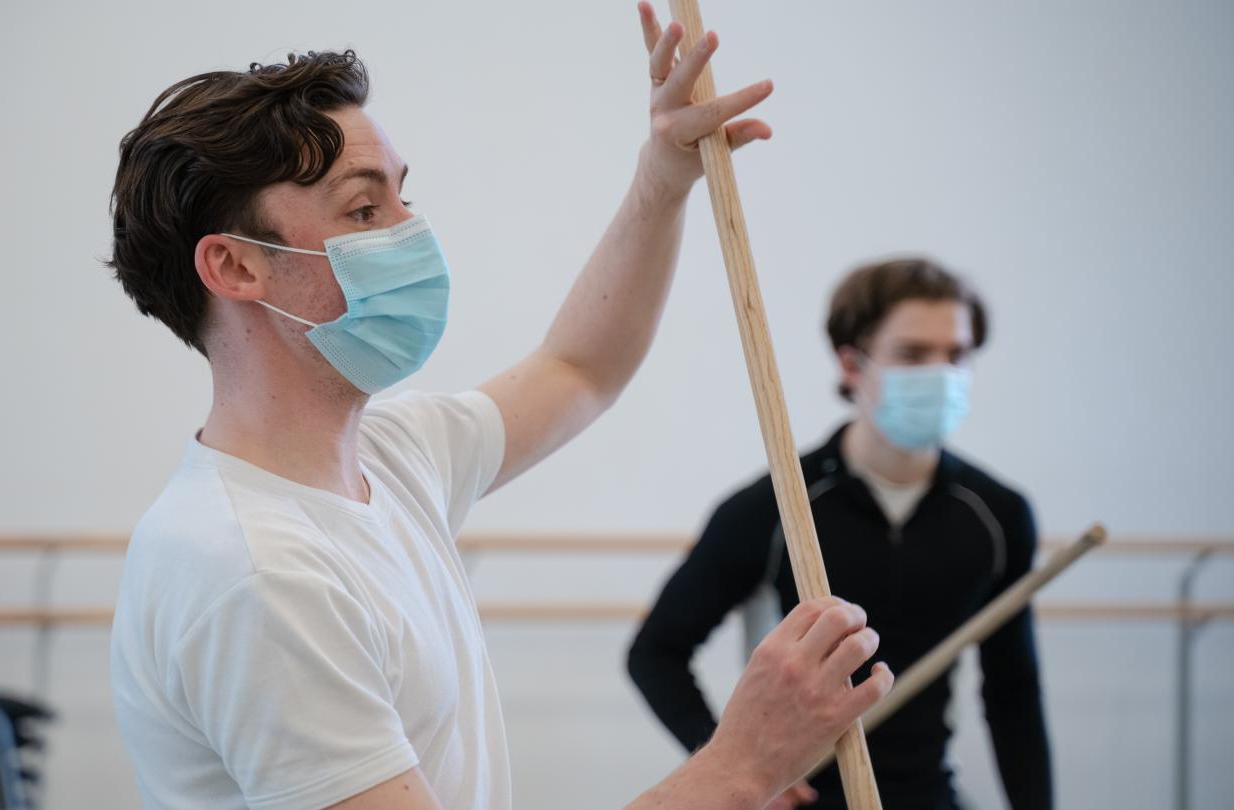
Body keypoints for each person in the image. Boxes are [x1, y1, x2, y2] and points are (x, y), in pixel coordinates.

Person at [105, 4, 892, 809]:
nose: (413, 232)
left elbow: (581, 368)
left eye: (403, 198)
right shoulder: (256, 575)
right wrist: (741, 765)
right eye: (365, 211)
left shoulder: (390, 456)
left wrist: (664, 175)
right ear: (237, 267)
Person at [627, 257, 1053, 810]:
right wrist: (735, 767)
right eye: (913, 354)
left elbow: (1014, 691)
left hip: (929, 796)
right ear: (852, 364)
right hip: (802, 801)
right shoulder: (777, 507)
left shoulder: (998, 515)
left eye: (956, 355)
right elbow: (656, 651)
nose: (940, 374)